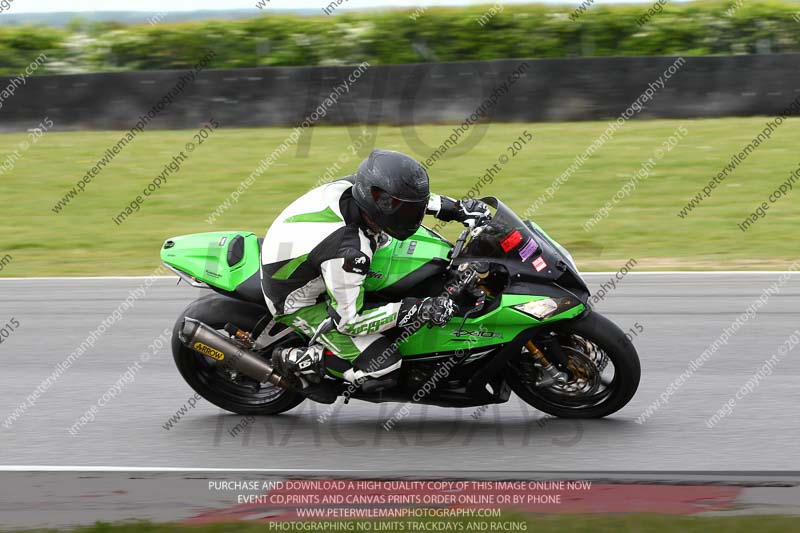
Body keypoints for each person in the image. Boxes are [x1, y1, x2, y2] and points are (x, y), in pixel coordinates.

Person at [261, 149, 491, 402]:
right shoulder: (351, 253)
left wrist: (457, 209)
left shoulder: (358, 187)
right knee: (383, 366)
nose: (413, 215)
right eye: (406, 210)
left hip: (307, 254)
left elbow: (404, 199)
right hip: (297, 301)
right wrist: (418, 309)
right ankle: (301, 361)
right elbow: (349, 321)